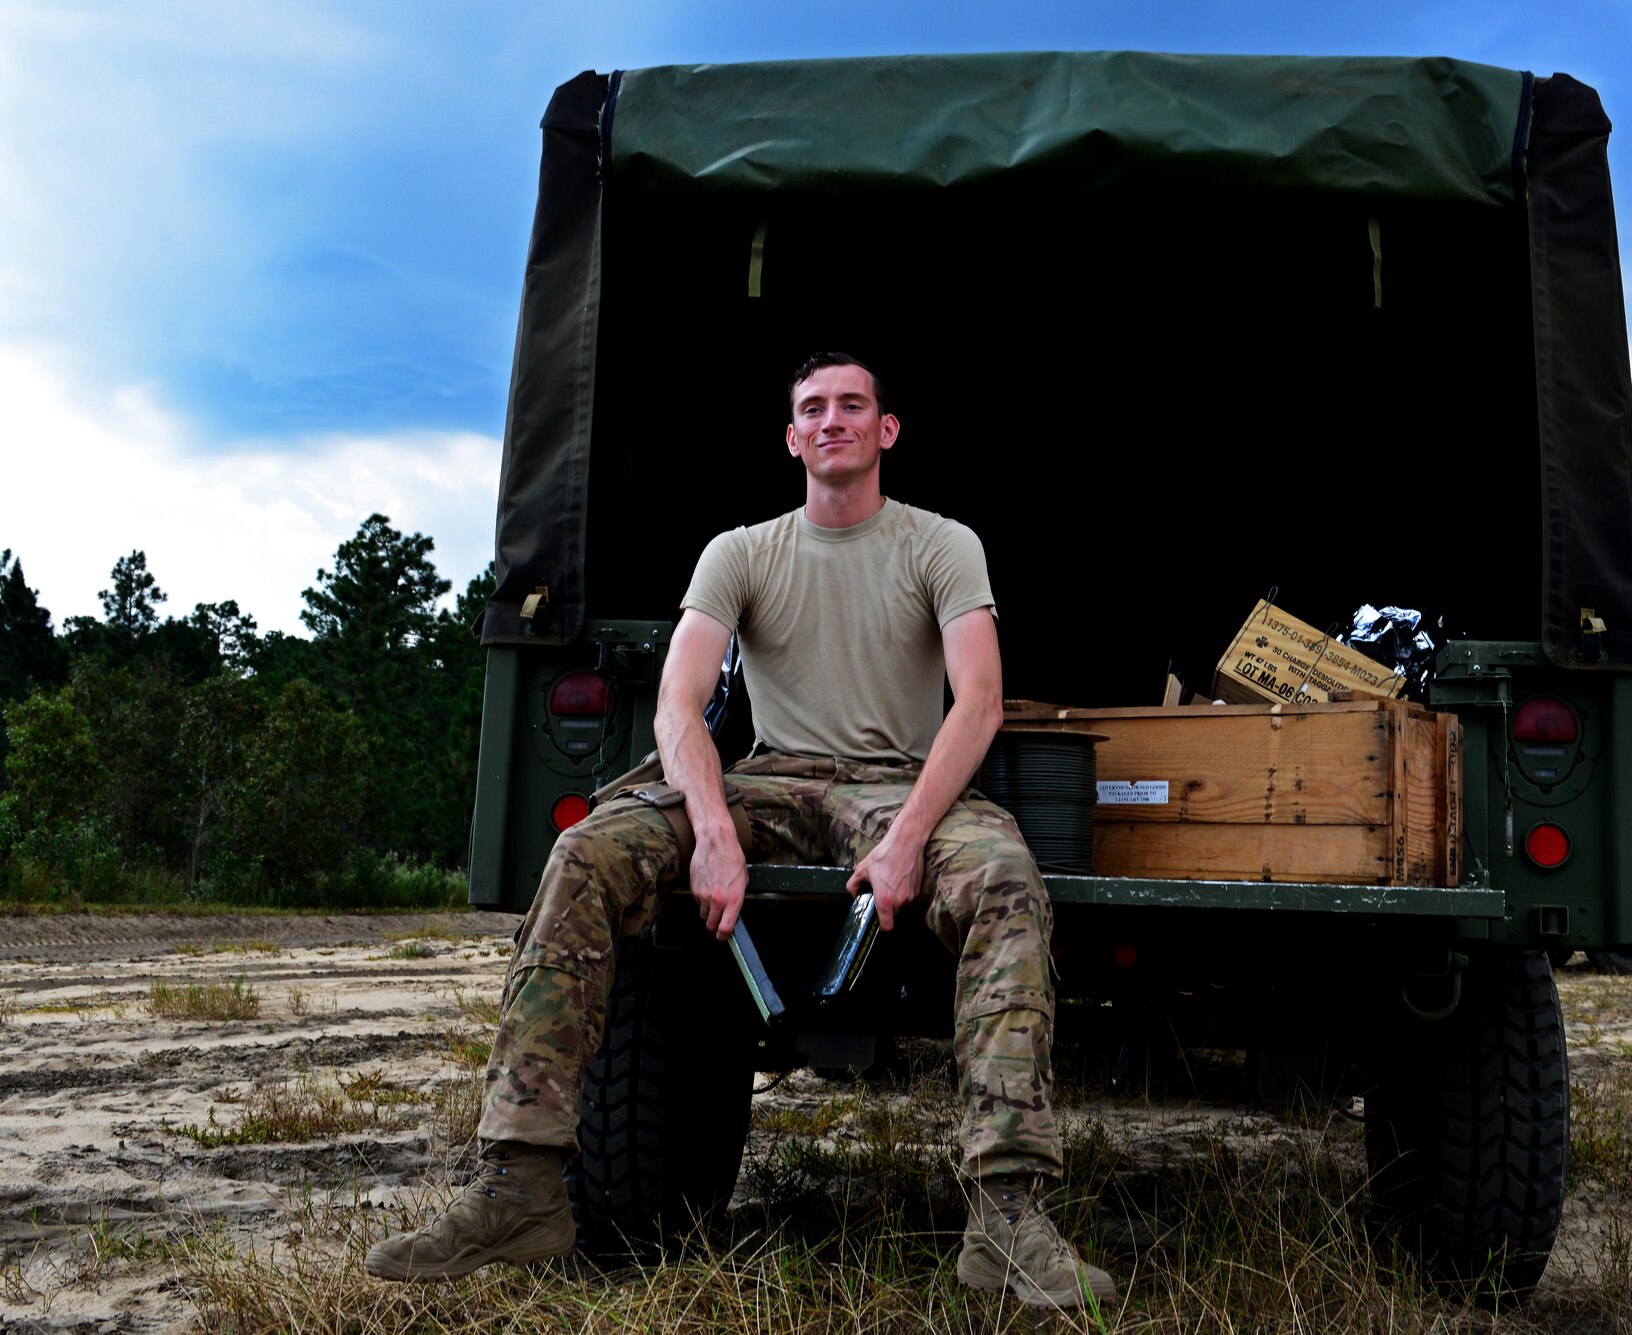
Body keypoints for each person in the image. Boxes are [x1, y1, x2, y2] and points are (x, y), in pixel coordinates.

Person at [366, 351, 1117, 1309]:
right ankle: (521, 1184)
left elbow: (978, 703)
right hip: (770, 777)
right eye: (813, 408)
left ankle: (1008, 1221)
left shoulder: (941, 544)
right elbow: (678, 706)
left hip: (894, 784)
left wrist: (906, 838)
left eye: (853, 404)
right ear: (792, 437)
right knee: (584, 853)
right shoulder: (742, 551)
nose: (832, 419)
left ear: (887, 431)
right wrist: (713, 829)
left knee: (1005, 875)